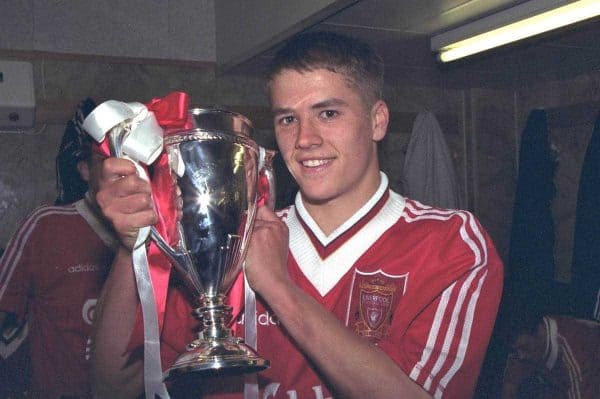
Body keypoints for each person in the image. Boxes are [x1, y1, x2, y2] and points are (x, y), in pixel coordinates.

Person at [90, 31, 504, 399]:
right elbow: (114, 385)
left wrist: (279, 289)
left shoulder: (450, 243)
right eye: (288, 119)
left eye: (328, 113)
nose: (304, 139)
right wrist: (137, 246)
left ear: (377, 121)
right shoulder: (228, 242)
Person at [0, 98, 118, 398]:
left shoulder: (157, 232)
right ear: (83, 170)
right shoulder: (46, 225)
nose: (119, 171)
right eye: (105, 161)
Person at [501, 314, 599, 399]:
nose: (521, 356)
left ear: (540, 331)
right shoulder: (525, 351)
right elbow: (510, 385)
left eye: (524, 348)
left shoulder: (574, 353)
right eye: (516, 350)